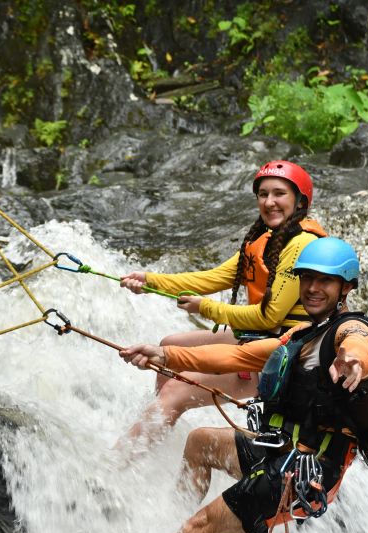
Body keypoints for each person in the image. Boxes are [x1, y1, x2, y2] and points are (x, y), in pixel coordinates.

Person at [119, 237, 368, 533]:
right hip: (277, 451)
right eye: (307, 279)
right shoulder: (302, 335)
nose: (313, 288)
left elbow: (359, 344)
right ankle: (166, 527)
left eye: (326, 281)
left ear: (346, 287)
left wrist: (354, 360)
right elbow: (237, 357)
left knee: (201, 529)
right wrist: (164, 355)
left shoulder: (350, 331)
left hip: (302, 474)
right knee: (199, 443)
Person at [117, 160, 328, 446]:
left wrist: (205, 308)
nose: (269, 202)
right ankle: (157, 433)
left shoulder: (301, 244)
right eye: (263, 195)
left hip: (288, 353)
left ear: (300, 201)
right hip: (264, 336)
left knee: (174, 391)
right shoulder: (265, 239)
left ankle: (120, 464)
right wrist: (151, 281)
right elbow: (213, 278)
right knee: (171, 341)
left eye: (279, 194)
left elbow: (270, 317)